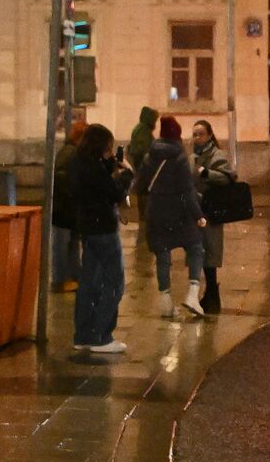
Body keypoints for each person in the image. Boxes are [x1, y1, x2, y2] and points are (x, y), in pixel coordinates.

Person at [68, 124, 135, 353]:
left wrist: (108, 166)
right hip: (104, 230)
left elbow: (95, 185)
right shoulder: (92, 168)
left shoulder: (79, 163)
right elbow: (115, 193)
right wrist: (127, 175)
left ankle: (83, 335)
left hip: (87, 228)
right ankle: (101, 336)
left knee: (89, 282)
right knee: (115, 282)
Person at [136, 117, 206, 318]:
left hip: (155, 213)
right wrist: (199, 216)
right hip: (179, 215)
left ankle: (165, 302)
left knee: (162, 254)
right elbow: (187, 192)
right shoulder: (180, 158)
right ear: (177, 135)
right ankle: (192, 294)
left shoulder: (150, 156)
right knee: (195, 247)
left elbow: (140, 187)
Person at [191, 120, 236, 314]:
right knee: (200, 253)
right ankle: (210, 295)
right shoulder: (193, 156)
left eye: (200, 134)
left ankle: (212, 294)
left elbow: (228, 177)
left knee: (210, 252)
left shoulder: (217, 155)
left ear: (209, 135)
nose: (197, 138)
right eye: (194, 134)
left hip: (212, 211)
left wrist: (206, 173)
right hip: (197, 210)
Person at [51, 121, 87, 293]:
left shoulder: (72, 152)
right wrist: (74, 192)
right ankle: (61, 280)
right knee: (63, 245)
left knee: (72, 243)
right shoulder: (70, 153)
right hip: (63, 209)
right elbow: (61, 178)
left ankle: (73, 277)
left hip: (68, 209)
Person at [129, 106, 158, 244]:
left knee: (143, 192)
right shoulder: (143, 130)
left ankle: (144, 217)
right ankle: (144, 218)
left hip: (141, 166)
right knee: (145, 192)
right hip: (144, 167)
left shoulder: (139, 129)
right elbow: (145, 149)